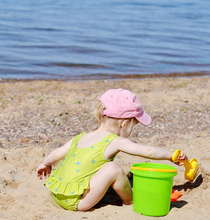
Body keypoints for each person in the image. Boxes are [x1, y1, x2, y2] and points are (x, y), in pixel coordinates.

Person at [36, 88, 187, 211]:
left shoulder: (81, 137)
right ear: (124, 123)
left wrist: (45, 164)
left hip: (57, 193)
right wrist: (171, 156)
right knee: (112, 168)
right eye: (134, 125)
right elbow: (147, 152)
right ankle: (129, 201)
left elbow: (56, 154)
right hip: (77, 202)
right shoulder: (115, 141)